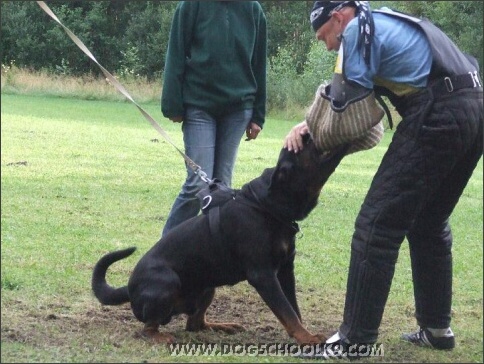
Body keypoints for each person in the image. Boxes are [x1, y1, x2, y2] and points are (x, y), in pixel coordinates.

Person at [284, 1, 483, 358]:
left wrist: (311, 127)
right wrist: (312, 123)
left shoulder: (357, 31)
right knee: (428, 220)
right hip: (475, 108)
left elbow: (343, 113)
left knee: (376, 224)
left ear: (339, 16)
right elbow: (365, 107)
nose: (327, 45)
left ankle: (353, 341)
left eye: (324, 35)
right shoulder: (385, 20)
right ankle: (437, 328)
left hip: (439, 110)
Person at [161, 1, 267, 237]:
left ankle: (215, 258)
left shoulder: (253, 10)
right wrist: (172, 104)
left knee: (222, 188)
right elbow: (176, 53)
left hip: (239, 109)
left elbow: (259, 64)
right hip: (199, 105)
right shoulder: (191, 6)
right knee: (197, 185)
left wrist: (258, 114)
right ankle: (163, 254)